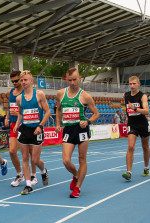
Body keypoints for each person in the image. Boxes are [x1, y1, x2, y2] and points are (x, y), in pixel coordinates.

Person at [55, 67, 99, 198]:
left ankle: (77, 187)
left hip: (81, 130)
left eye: (74, 80)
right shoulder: (61, 93)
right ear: (66, 80)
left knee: (81, 159)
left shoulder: (85, 96)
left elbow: (96, 114)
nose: (72, 83)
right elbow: (58, 109)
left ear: (79, 79)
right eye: (70, 80)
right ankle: (76, 176)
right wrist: (58, 124)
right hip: (68, 129)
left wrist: (88, 121)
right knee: (66, 161)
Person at [13, 70, 50, 195]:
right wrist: (17, 124)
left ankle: (43, 170)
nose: (23, 82)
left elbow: (48, 112)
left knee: (35, 160)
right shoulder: (19, 98)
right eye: (21, 80)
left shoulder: (39, 94)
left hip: (36, 130)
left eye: (25, 80)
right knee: (24, 157)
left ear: (31, 81)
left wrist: (40, 126)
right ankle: (28, 185)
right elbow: (20, 112)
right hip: (24, 130)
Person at [5, 70, 37, 187]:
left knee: (30, 153)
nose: (14, 83)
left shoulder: (27, 92)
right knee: (12, 151)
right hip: (14, 125)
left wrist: (18, 114)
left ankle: (33, 175)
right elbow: (9, 107)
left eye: (16, 80)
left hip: (26, 124)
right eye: (12, 81)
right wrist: (7, 116)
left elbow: (28, 110)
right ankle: (20, 175)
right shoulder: (10, 92)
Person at [122, 76, 150, 181]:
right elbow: (126, 108)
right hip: (132, 124)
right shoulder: (125, 95)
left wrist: (135, 108)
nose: (132, 86)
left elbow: (147, 111)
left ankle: (146, 167)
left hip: (142, 124)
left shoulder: (142, 96)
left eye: (134, 83)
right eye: (130, 84)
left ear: (138, 84)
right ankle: (129, 172)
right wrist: (127, 117)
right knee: (131, 146)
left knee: (145, 147)